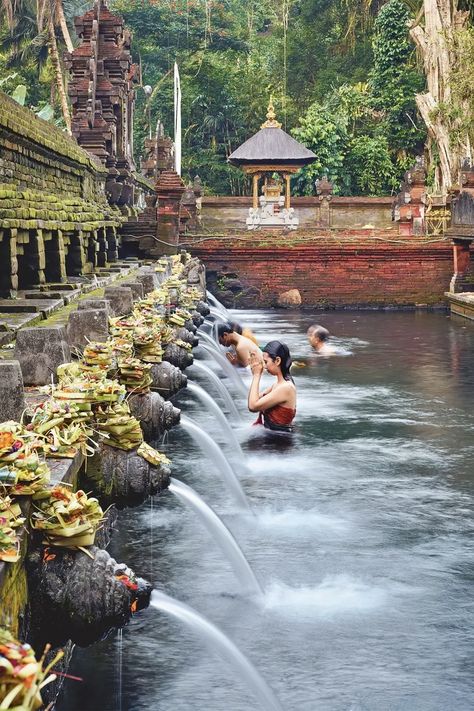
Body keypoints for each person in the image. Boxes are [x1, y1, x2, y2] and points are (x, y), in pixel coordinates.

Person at [248, 341, 296, 432]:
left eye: (266, 362)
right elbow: (256, 399)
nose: (265, 367)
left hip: (279, 442)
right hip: (273, 438)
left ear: (277, 361)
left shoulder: (286, 388)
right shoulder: (278, 384)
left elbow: (253, 406)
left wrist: (256, 375)